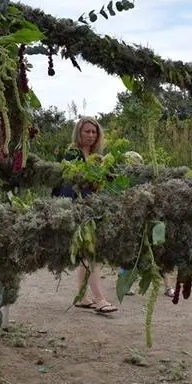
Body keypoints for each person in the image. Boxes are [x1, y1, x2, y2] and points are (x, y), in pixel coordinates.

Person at [53, 116, 117, 314]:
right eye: (86, 131)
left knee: (88, 254)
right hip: (78, 209)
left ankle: (82, 297)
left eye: (94, 132)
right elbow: (66, 183)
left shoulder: (97, 157)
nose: (90, 135)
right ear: (79, 133)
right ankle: (100, 299)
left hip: (93, 209)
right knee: (91, 253)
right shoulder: (72, 154)